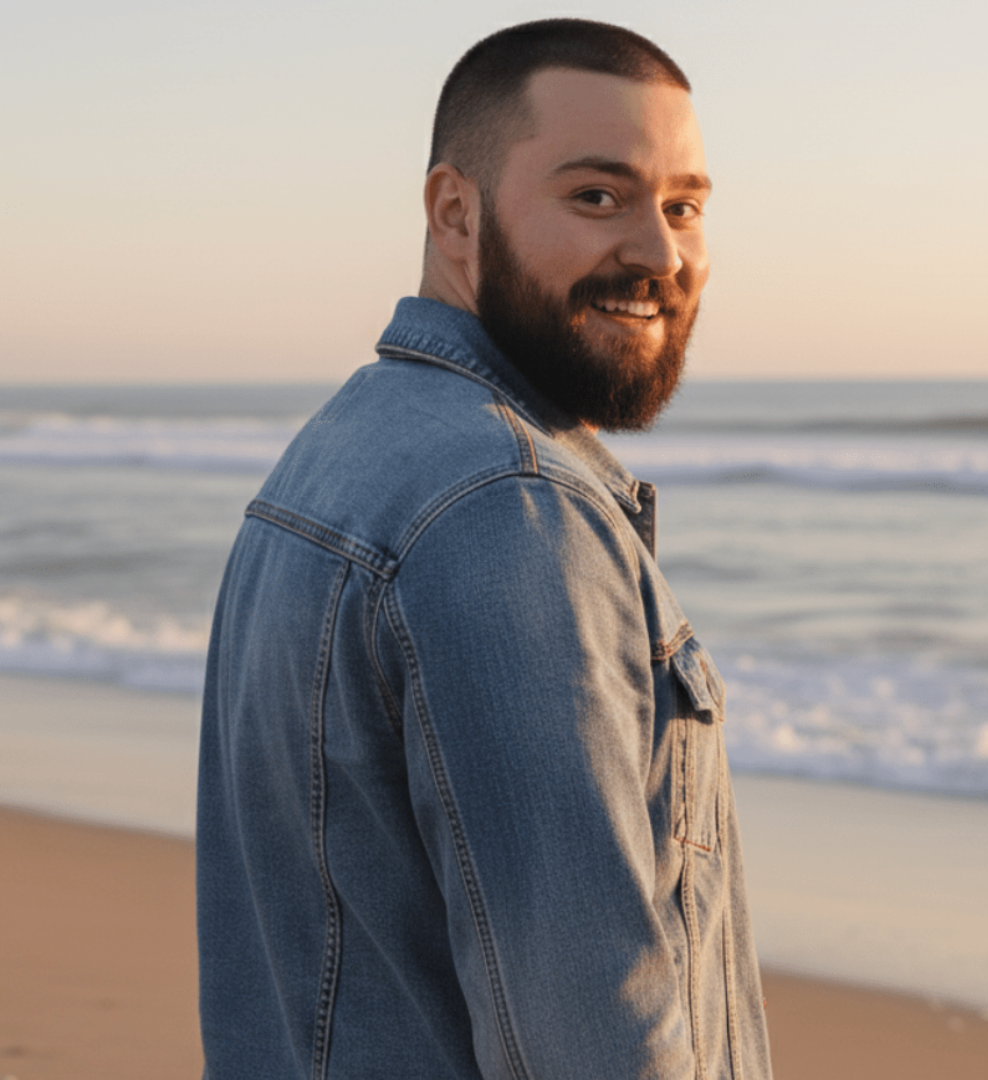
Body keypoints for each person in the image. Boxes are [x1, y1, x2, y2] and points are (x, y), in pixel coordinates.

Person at [197, 18, 773, 1080]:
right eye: (595, 197)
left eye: (681, 206)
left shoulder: (337, 455)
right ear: (454, 212)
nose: (657, 252)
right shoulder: (502, 512)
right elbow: (590, 1034)